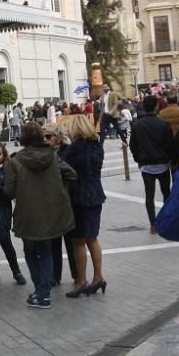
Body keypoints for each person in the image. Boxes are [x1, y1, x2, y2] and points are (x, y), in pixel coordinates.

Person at [4, 122, 76, 309]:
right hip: (51, 212)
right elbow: (71, 174)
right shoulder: (52, 156)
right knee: (46, 252)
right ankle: (43, 294)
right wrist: (59, 190)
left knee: (30, 251)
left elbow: (9, 191)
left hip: (27, 213)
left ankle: (40, 291)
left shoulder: (15, 161)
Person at [60, 116, 107, 298]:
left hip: (78, 197)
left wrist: (64, 145)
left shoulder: (74, 149)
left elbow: (62, 166)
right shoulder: (97, 147)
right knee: (92, 238)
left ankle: (81, 281)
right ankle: (98, 277)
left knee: (78, 241)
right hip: (95, 195)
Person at [130, 95, 175, 235]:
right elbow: (169, 143)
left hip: (146, 164)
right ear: (156, 106)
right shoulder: (163, 123)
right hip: (162, 162)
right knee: (166, 192)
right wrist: (169, 159)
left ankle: (153, 224)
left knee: (149, 195)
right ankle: (168, 221)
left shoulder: (137, 124)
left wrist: (138, 159)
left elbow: (133, 145)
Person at [0, 143, 27, 287]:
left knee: (6, 244)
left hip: (3, 212)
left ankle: (16, 271)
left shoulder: (8, 170)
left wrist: (1, 191)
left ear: (4, 156)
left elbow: (11, 191)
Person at [42, 122, 79, 286]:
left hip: (66, 201)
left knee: (71, 241)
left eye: (48, 136)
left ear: (58, 137)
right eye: (43, 137)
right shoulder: (43, 154)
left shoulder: (67, 152)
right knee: (53, 243)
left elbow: (72, 174)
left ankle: (77, 274)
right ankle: (55, 276)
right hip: (50, 204)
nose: (45, 140)